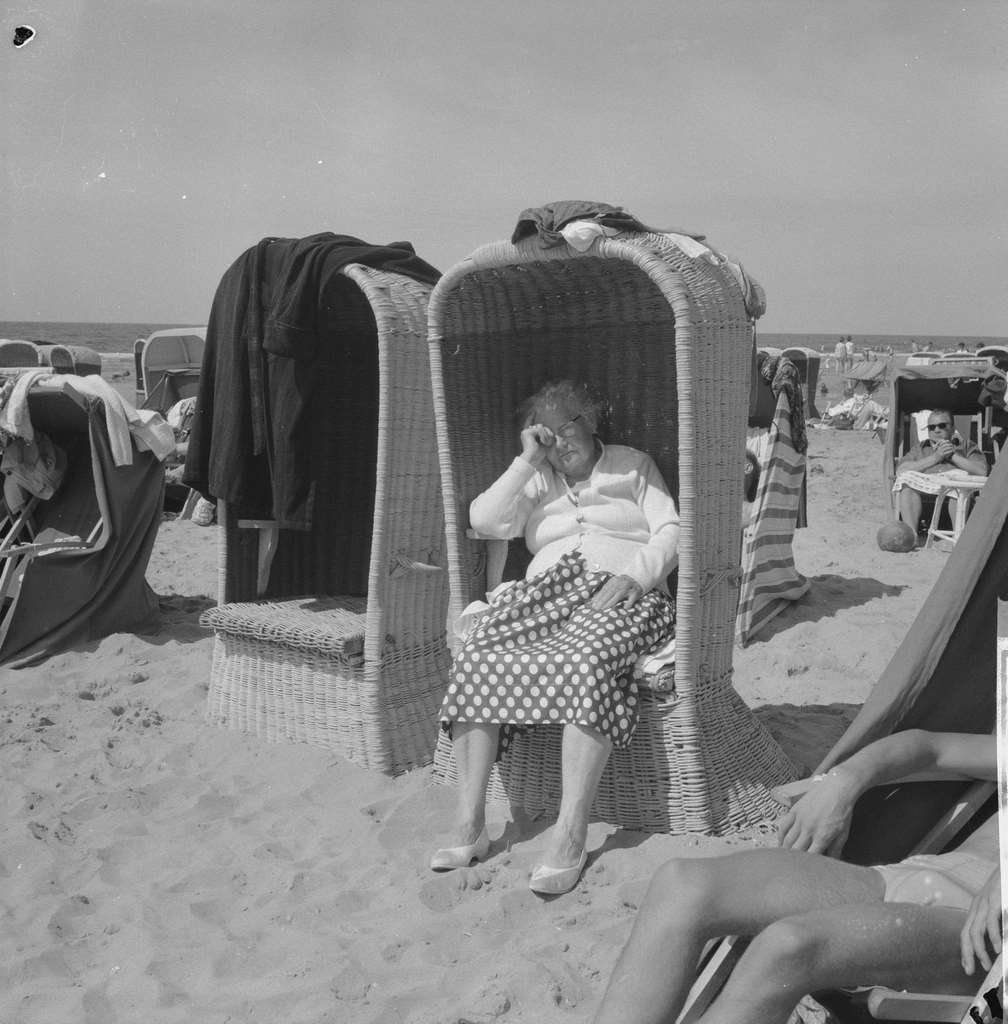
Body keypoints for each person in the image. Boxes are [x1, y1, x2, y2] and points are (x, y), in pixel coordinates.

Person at [431, 380, 679, 894]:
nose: (561, 443)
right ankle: (469, 820)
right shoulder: (538, 477)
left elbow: (671, 529)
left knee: (590, 657)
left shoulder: (633, 466)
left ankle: (571, 828)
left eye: (569, 428)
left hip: (623, 592)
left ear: (592, 423)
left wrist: (637, 575)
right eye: (548, 434)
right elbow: (484, 519)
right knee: (478, 652)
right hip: (544, 596)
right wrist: (527, 460)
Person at [592, 729, 1000, 1024]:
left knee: (788, 947)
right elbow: (929, 747)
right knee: (683, 886)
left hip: (978, 934)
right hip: (918, 881)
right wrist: (844, 782)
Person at [894, 408, 988, 534]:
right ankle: (912, 535)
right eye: (931, 427)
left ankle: (959, 536)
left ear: (953, 428)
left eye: (942, 426)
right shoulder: (920, 448)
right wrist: (936, 457)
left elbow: (982, 471)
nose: (936, 430)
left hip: (953, 486)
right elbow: (901, 470)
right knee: (906, 482)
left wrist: (952, 455)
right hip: (926, 485)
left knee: (960, 484)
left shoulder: (966, 445)